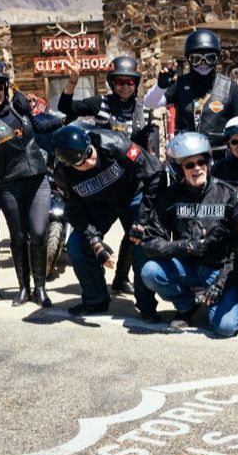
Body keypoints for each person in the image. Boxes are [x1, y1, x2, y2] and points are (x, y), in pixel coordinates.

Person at [51, 123, 164, 321]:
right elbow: (74, 212)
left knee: (142, 242)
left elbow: (155, 173)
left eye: (89, 152)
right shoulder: (63, 174)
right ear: (68, 164)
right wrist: (94, 241)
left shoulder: (114, 143)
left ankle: (146, 305)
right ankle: (95, 300)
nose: (90, 159)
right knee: (76, 244)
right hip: (99, 206)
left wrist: (142, 220)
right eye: (82, 161)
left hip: (132, 195)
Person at [0, 59, 58, 308]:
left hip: (37, 179)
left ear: (5, 87)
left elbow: (40, 126)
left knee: (38, 232)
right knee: (18, 236)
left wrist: (65, 119)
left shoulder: (18, 108)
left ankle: (40, 288)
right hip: (8, 185)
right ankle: (23, 288)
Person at [136, 132, 238, 334]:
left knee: (225, 328)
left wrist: (221, 282)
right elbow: (150, 241)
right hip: (186, 266)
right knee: (150, 272)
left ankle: (220, 298)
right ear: (179, 168)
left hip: (219, 269)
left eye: (201, 162)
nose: (197, 168)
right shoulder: (170, 196)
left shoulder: (229, 194)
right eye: (189, 165)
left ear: (209, 163)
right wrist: (184, 246)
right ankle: (186, 305)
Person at [142, 29, 238, 154]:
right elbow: (149, 103)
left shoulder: (230, 87)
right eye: (196, 59)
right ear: (188, 59)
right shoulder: (180, 84)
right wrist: (160, 87)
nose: (203, 63)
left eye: (209, 58)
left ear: (217, 58)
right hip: (186, 156)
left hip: (219, 156)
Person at [57, 54, 157, 152]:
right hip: (106, 162)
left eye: (130, 82)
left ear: (136, 83)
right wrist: (73, 80)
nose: (125, 87)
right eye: (120, 82)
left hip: (136, 162)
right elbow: (65, 107)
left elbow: (150, 148)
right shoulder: (101, 103)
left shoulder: (144, 111)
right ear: (112, 82)